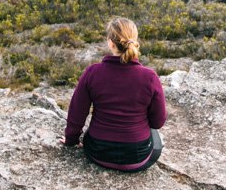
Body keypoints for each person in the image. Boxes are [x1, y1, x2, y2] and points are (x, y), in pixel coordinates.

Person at [60, 17, 166, 172]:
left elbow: (77, 114)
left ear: (110, 42)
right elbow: (157, 122)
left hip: (97, 152)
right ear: (134, 41)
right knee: (155, 137)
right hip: (136, 157)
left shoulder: (92, 73)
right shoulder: (149, 77)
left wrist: (71, 140)